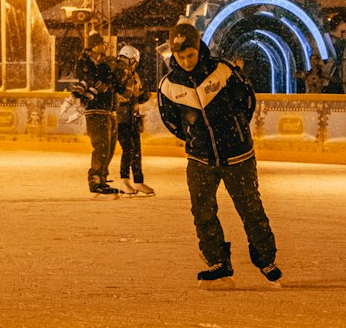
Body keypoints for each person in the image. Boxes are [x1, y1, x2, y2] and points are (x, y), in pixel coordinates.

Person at [158, 22, 282, 288]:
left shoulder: (222, 71)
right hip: (200, 159)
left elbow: (247, 101)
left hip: (237, 155)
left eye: (190, 55)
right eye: (181, 57)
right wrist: (196, 139)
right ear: (173, 54)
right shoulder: (169, 86)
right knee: (202, 211)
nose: (187, 61)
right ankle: (218, 261)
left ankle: (265, 258)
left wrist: (234, 130)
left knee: (250, 208)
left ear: (199, 47)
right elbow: (172, 122)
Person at [72, 30, 122, 196]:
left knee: (109, 146)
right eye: (101, 44)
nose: (104, 47)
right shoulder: (85, 63)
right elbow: (89, 79)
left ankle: (102, 176)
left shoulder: (104, 64)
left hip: (108, 110)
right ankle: (95, 179)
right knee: (101, 145)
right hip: (95, 109)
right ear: (95, 46)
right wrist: (103, 75)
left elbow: (113, 82)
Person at [115, 44, 154, 195]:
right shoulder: (119, 73)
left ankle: (138, 181)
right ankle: (124, 179)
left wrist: (141, 97)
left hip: (132, 117)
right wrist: (134, 97)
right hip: (121, 118)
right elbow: (120, 96)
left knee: (136, 150)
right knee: (128, 149)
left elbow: (135, 95)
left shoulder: (134, 75)